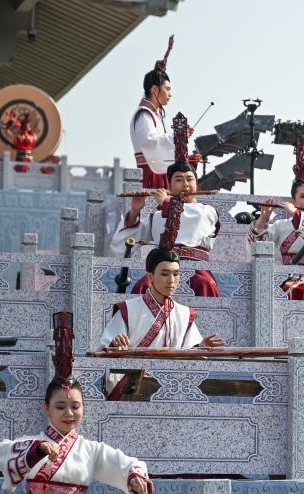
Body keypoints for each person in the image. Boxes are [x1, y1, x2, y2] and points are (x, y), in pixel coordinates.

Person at [0, 378, 154, 494]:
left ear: (83, 408)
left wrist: (134, 477)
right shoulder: (32, 443)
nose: (69, 413)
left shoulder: (91, 449)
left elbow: (126, 464)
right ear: (46, 408)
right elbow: (2, 451)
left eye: (75, 407)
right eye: (60, 407)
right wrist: (38, 449)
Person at [99, 247, 224, 399]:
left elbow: (189, 354)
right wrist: (115, 345)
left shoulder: (184, 314)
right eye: (164, 274)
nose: (171, 280)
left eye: (176, 274)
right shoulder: (128, 309)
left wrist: (200, 348)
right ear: (150, 276)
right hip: (133, 387)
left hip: (171, 388)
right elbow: (104, 348)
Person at [109, 158, 221, 297]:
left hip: (196, 271)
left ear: (196, 183)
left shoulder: (206, 211)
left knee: (205, 284)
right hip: (162, 269)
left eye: (190, 179)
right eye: (179, 179)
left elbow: (191, 221)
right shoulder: (157, 215)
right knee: (143, 286)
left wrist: (165, 202)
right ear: (170, 185)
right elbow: (128, 241)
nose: (185, 184)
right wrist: (135, 210)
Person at [248, 140, 304, 300]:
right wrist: (262, 219)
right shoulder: (281, 225)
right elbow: (257, 248)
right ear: (294, 201)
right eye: (303, 196)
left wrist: (295, 214)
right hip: (286, 278)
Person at [131, 35, 192, 190]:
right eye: (167, 89)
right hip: (152, 175)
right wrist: (176, 137)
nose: (170, 94)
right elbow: (150, 142)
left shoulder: (153, 114)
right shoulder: (144, 114)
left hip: (158, 172)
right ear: (155, 90)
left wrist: (180, 138)